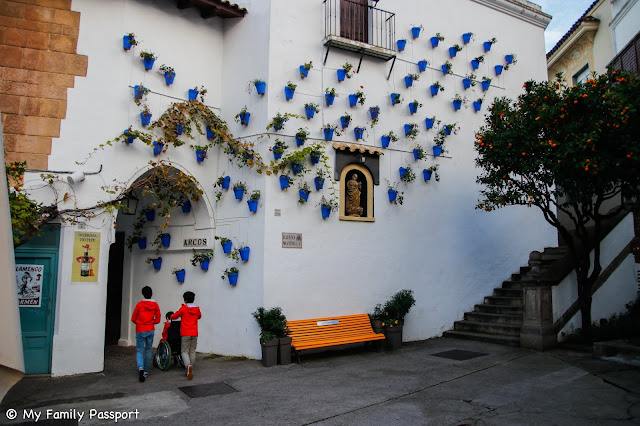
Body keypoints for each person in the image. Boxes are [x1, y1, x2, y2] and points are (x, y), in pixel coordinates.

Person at [131, 286, 161, 382]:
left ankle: (140, 368)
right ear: (151, 294)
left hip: (140, 329)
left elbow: (133, 318)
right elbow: (158, 318)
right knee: (148, 350)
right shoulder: (155, 305)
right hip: (150, 329)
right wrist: (152, 322)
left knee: (139, 350)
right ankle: (146, 370)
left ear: (143, 294)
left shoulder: (140, 304)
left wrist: (140, 323)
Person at [171, 291, 201, 380]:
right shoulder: (197, 309)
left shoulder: (184, 308)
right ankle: (191, 366)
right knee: (192, 350)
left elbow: (175, 316)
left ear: (185, 300)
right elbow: (199, 316)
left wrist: (171, 316)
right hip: (194, 333)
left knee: (184, 351)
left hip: (185, 333)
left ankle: (188, 366)